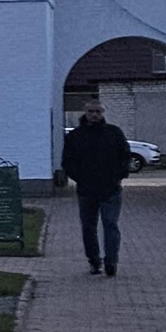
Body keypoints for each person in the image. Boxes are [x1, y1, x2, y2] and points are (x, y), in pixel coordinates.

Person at [61, 103, 132, 276]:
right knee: (88, 226)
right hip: (87, 189)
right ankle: (94, 260)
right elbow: (68, 161)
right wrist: (80, 178)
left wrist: (119, 176)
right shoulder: (75, 136)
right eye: (91, 111)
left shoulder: (114, 133)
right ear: (85, 113)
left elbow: (125, 156)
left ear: (103, 113)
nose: (94, 115)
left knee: (110, 224)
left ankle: (111, 260)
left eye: (97, 112)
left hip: (110, 188)